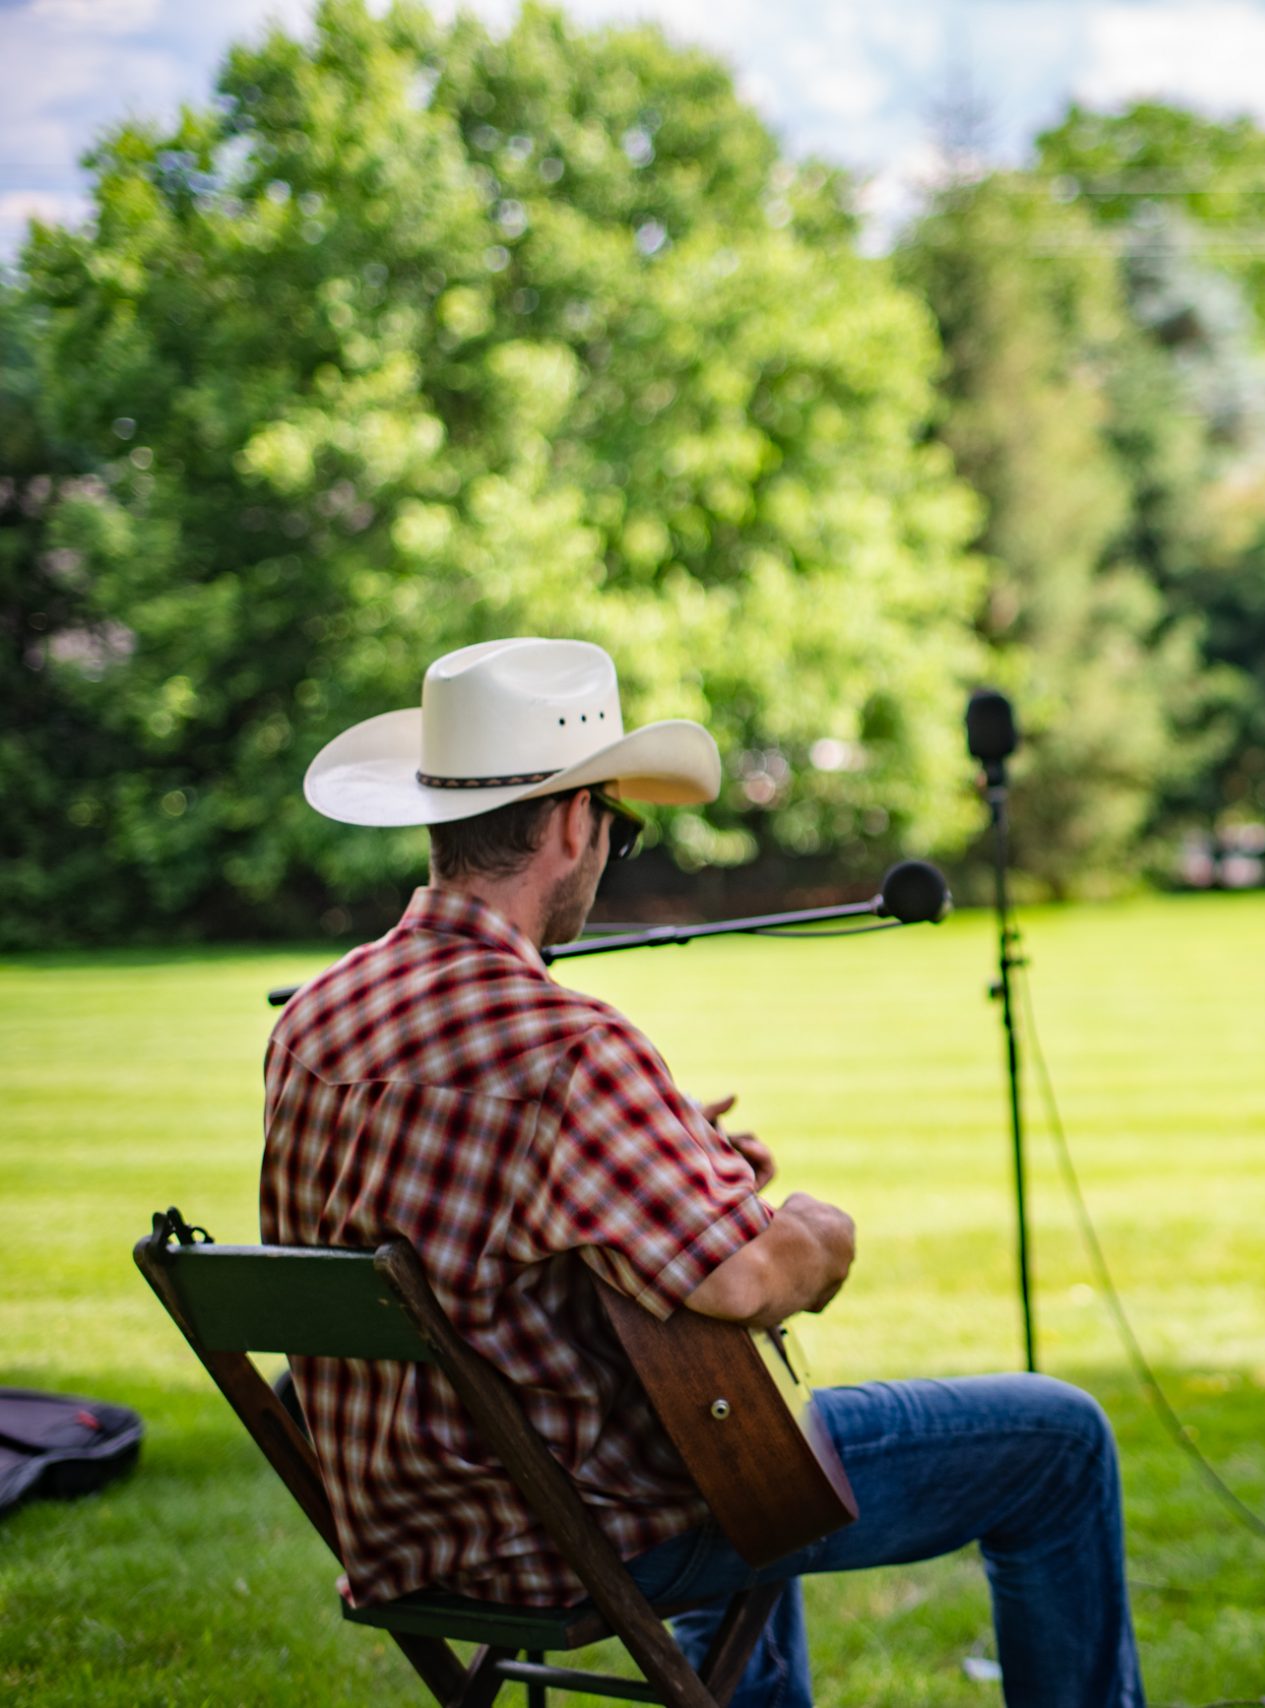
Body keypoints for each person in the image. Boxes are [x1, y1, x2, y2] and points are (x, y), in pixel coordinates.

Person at [264, 636, 1144, 1708]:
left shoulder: (315, 1017)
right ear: (573, 820)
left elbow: (470, 1207)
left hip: (411, 1535)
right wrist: (819, 1227)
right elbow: (740, 1281)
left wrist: (680, 1158)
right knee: (1058, 1440)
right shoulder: (566, 1046)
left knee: (745, 1444)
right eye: (617, 828)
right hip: (579, 1532)